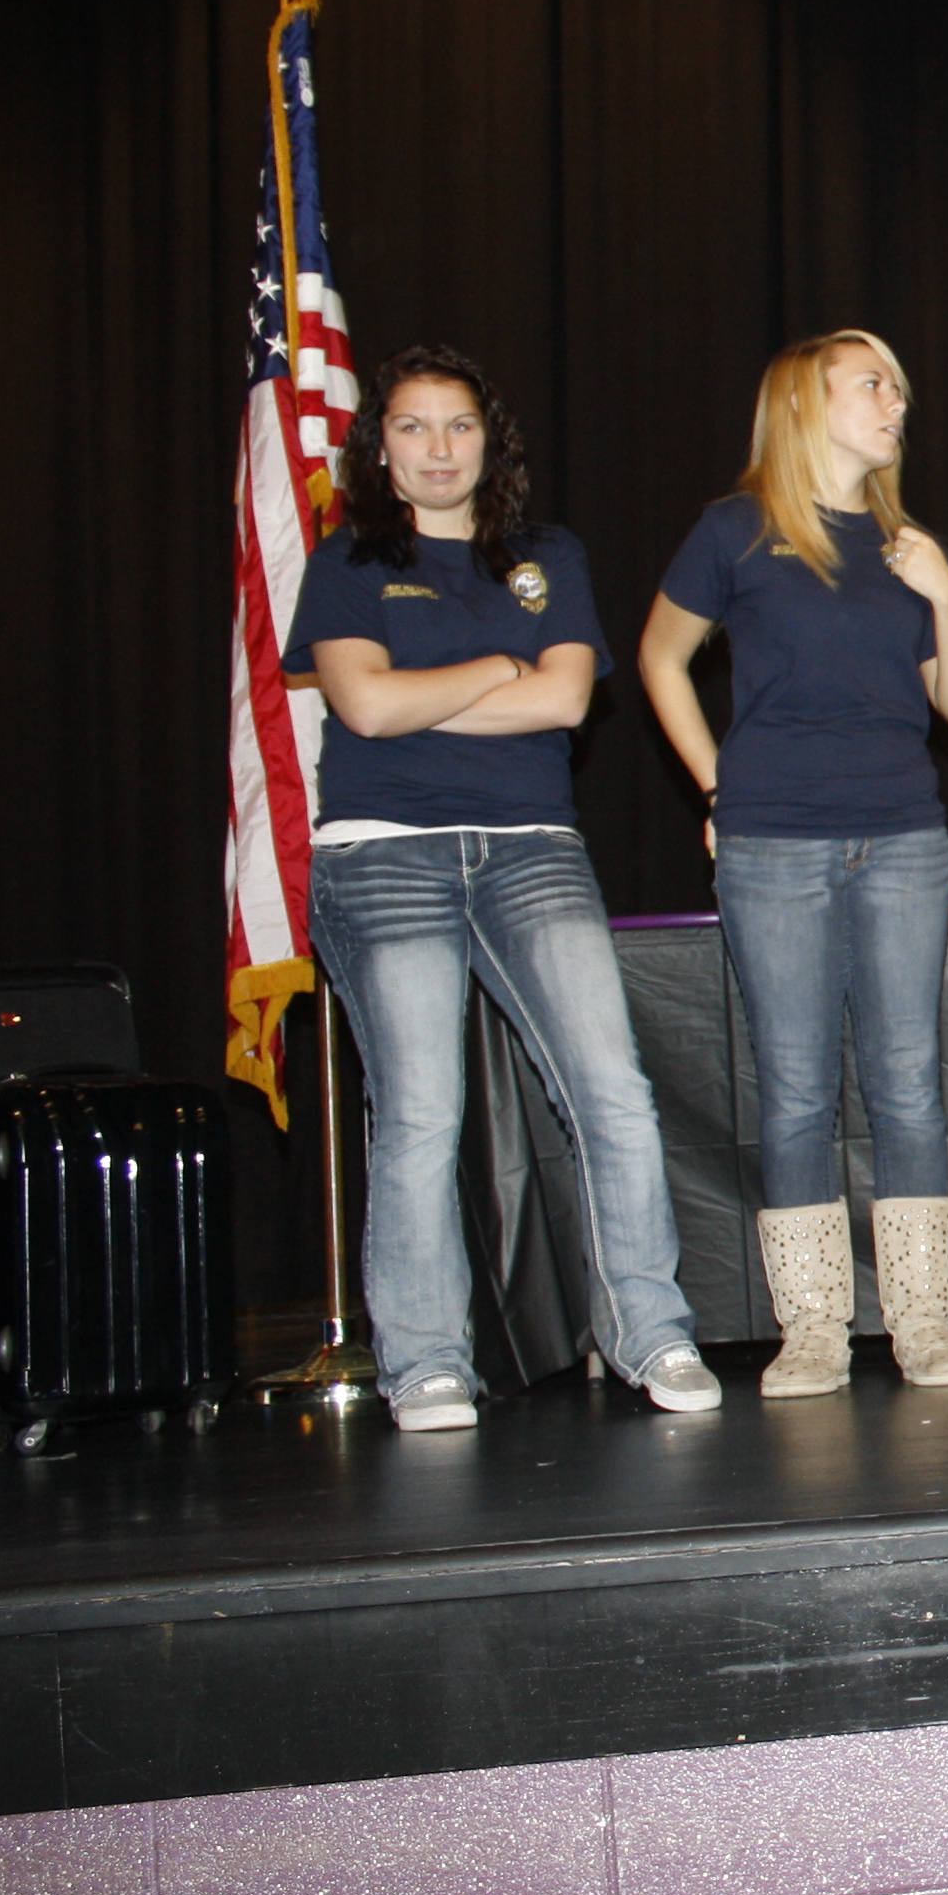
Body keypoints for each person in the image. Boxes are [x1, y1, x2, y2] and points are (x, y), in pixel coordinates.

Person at [284, 346, 721, 1429]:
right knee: (422, 1109)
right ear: (378, 447)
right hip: (382, 851)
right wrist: (494, 672)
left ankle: (652, 1335)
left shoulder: (545, 555)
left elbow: (569, 700)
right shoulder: (346, 561)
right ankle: (427, 1359)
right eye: (414, 428)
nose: (439, 449)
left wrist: (431, 687)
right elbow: (367, 712)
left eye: (459, 427)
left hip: (530, 846)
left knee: (611, 1091)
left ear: (491, 440)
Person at [637, 330, 948, 1399]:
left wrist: (944, 591)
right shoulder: (736, 529)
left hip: (899, 834)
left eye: (900, 384)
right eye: (874, 384)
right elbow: (657, 657)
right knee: (796, 1091)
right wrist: (716, 784)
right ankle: (813, 1330)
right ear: (805, 402)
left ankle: (925, 1327)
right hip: (772, 840)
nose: (897, 402)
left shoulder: (906, 545)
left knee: (909, 1085)